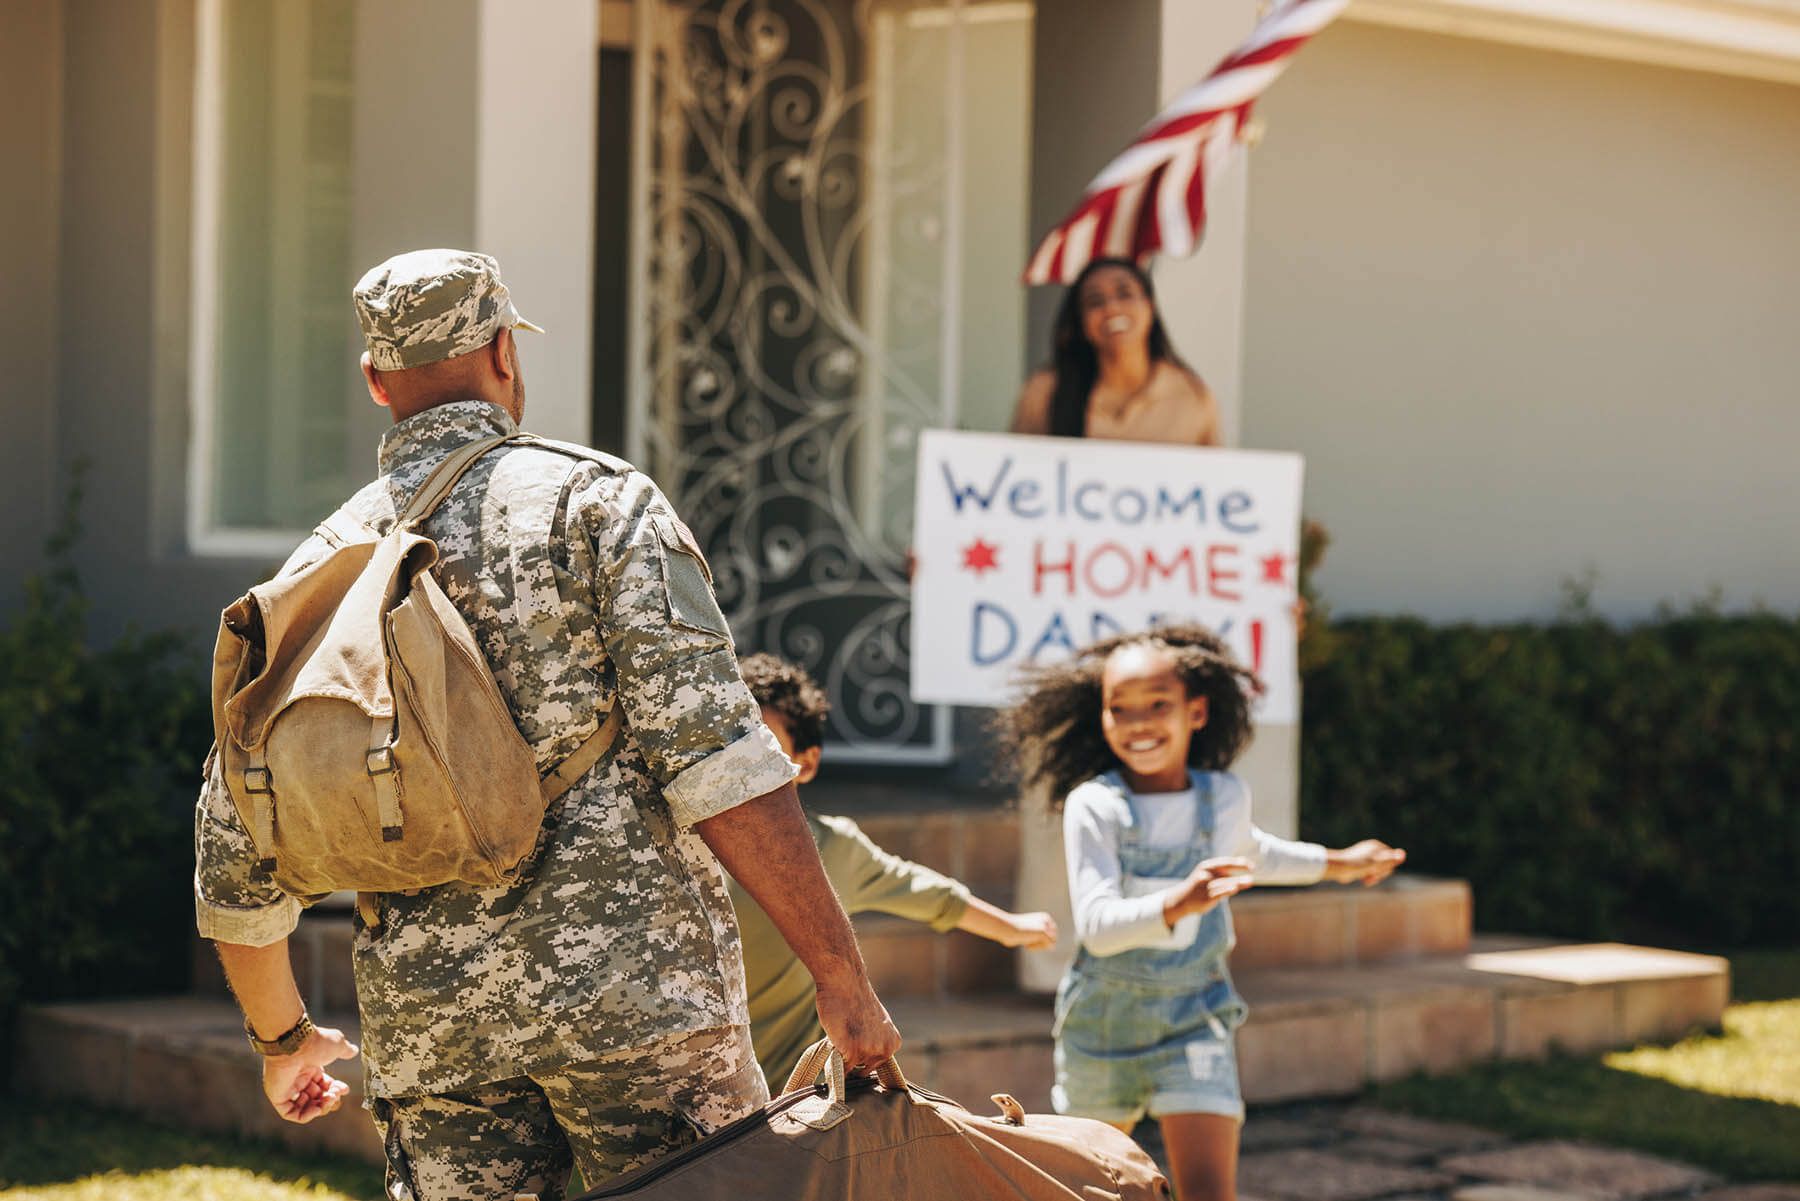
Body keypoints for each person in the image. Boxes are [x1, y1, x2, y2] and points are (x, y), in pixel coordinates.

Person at [193, 249, 899, 1201]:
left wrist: (284, 1039)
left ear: (374, 380)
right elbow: (719, 760)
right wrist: (841, 978)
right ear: (501, 353)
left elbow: (235, 839)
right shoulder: (596, 502)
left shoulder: (320, 564)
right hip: (640, 1004)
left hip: (436, 1032)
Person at [992, 624, 1404, 1201]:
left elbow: (1253, 855)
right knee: (1086, 1193)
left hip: (1195, 1019)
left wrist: (1340, 863)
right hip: (1102, 1029)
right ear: (1103, 718)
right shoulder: (1095, 805)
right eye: (1120, 709)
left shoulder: (1225, 797)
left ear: (1198, 712)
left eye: (1158, 705)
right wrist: (1182, 900)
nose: (1138, 723)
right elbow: (1098, 927)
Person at [730, 653, 1058, 1087]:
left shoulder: (834, 848)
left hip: (793, 1092)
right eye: (732, 743)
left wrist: (1011, 929)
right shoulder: (676, 845)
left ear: (805, 763)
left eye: (764, 745)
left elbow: (930, 894)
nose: (743, 760)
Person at [1009, 257, 1219, 445]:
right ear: (1081, 323)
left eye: (1125, 294)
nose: (1112, 308)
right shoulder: (1045, 392)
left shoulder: (1191, 396)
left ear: (1150, 306)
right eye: (1095, 301)